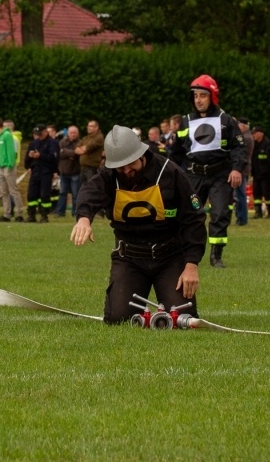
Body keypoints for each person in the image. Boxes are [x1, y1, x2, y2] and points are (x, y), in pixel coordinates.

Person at [71, 125, 207, 324]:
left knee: (181, 319)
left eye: (130, 163)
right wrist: (84, 218)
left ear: (141, 154)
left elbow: (193, 219)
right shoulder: (109, 175)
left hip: (170, 257)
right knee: (118, 319)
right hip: (129, 258)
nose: (126, 170)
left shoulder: (170, 173)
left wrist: (191, 265)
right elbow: (89, 192)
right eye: (120, 166)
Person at [170, 74, 246, 268]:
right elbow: (176, 151)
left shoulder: (226, 120)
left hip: (220, 176)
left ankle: (216, 256)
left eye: (202, 95)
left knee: (220, 213)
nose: (198, 100)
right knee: (190, 214)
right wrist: (171, 173)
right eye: (195, 96)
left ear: (212, 96)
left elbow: (238, 147)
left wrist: (237, 169)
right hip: (193, 175)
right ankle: (187, 252)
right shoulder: (185, 122)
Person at [0, 118, 25, 222]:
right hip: (1, 166)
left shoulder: (7, 136)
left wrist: (10, 164)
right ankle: (7, 213)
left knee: (13, 190)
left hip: (8, 167)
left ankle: (19, 214)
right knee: (4, 191)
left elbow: (11, 151)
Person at [24, 123, 59, 223]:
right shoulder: (34, 143)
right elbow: (27, 157)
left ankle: (44, 215)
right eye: (36, 134)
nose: (38, 136)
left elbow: (54, 158)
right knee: (31, 195)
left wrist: (40, 155)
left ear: (45, 132)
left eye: (40, 133)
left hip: (46, 172)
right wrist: (29, 165)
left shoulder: (52, 143)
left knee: (44, 195)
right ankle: (31, 215)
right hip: (35, 171)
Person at [56, 125, 81, 217]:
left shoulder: (80, 142)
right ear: (68, 133)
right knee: (62, 193)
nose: (73, 134)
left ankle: (75, 212)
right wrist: (71, 153)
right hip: (63, 172)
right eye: (71, 133)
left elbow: (77, 154)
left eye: (74, 133)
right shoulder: (62, 141)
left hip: (75, 172)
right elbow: (59, 153)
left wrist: (65, 152)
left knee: (75, 194)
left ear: (77, 134)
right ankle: (60, 212)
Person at [234, 117, 254, 226]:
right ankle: (241, 218)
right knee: (239, 195)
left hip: (241, 170)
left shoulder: (244, 138)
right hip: (243, 169)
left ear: (242, 126)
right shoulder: (248, 136)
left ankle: (242, 218)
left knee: (240, 195)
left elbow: (241, 154)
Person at [250, 125, 270, 218]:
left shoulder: (268, 144)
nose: (253, 135)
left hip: (265, 175)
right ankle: (258, 212)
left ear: (261, 134)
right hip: (256, 174)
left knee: (267, 194)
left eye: (255, 133)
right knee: (256, 194)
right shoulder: (254, 144)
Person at [75, 120, 105, 185]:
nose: (88, 127)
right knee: (83, 189)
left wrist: (82, 149)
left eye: (91, 126)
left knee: (92, 187)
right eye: (88, 126)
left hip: (92, 168)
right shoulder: (86, 137)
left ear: (96, 128)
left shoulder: (99, 137)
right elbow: (76, 149)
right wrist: (82, 149)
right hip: (83, 168)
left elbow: (87, 148)